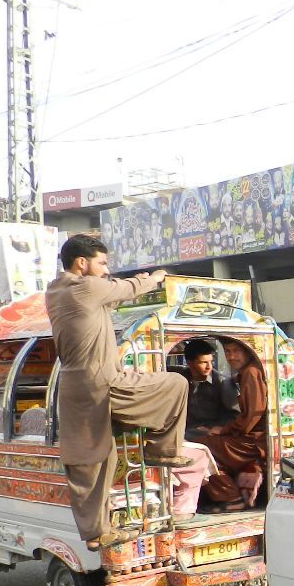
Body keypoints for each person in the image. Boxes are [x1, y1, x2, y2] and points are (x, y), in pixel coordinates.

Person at [46, 234, 192, 551]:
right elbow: (128, 289)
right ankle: (161, 450)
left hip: (75, 388)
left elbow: (110, 298)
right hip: (103, 381)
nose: (106, 269)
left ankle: (97, 533)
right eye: (102, 263)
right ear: (81, 263)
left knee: (95, 459)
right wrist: (154, 277)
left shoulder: (56, 291)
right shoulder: (86, 287)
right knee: (176, 384)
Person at [199, 339, 267, 511]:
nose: (231, 356)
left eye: (236, 351)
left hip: (252, 442)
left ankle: (231, 497)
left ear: (247, 352)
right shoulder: (246, 373)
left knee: (200, 448)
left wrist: (224, 430)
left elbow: (253, 414)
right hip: (251, 439)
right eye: (227, 352)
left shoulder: (251, 372)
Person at [182, 338, 239, 439]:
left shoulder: (223, 382)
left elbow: (235, 414)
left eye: (211, 362)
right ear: (190, 363)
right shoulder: (181, 379)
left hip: (212, 435)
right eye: (203, 362)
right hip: (184, 431)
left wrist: (217, 428)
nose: (209, 367)